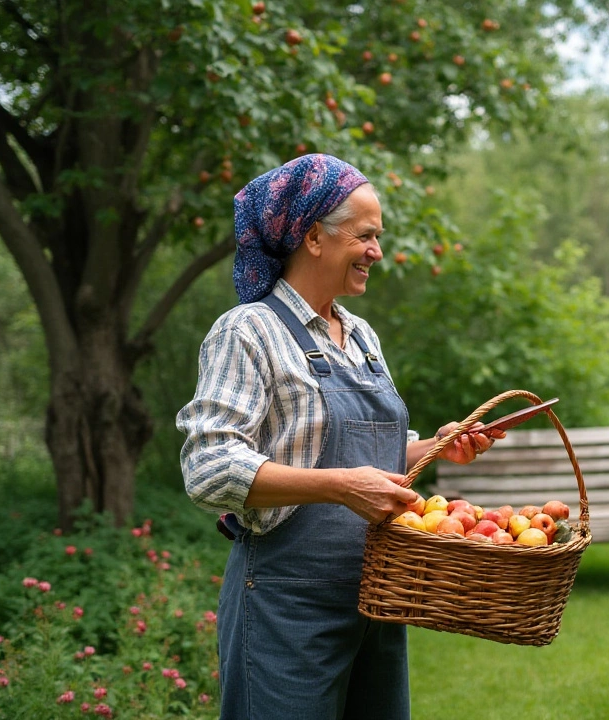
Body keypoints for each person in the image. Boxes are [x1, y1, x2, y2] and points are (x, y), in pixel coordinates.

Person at [177, 154, 501, 719]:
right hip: (287, 609)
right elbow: (208, 468)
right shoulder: (248, 330)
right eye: (367, 235)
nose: (378, 251)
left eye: (379, 237)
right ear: (313, 237)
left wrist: (436, 447)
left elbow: (366, 455)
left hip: (378, 600)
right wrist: (338, 487)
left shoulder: (360, 336)